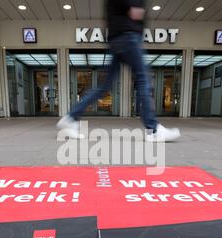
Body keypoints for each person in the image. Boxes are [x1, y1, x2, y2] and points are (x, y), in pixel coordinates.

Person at [57, 0, 181, 142]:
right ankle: (153, 129)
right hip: (129, 36)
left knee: (104, 86)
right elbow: (135, 12)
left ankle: (70, 117)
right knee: (143, 80)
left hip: (116, 38)